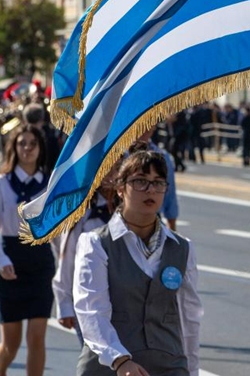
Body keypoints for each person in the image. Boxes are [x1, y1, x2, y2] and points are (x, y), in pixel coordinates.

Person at [73, 141, 202, 375]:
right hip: (109, 367)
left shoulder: (183, 248)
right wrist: (119, 360)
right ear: (120, 188)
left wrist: (191, 371)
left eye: (158, 183)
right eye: (140, 181)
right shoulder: (95, 243)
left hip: (168, 366)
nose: (150, 190)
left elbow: (189, 320)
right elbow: (91, 311)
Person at [0, 125, 53, 376]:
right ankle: (0, 372)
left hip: (40, 261)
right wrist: (0, 260)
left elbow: (58, 228)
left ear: (40, 148)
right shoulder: (2, 183)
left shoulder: (49, 183)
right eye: (22, 143)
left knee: (36, 338)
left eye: (33, 143)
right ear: (14, 147)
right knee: (11, 343)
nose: (28, 148)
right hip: (10, 260)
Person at [52, 163, 119, 345]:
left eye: (118, 166)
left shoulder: (131, 208)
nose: (113, 172)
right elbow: (67, 257)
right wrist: (64, 304)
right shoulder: (82, 210)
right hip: (90, 305)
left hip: (125, 303)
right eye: (106, 166)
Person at [138, 125, 180, 231]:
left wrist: (173, 231)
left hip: (153, 223)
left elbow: (170, 196)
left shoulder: (163, 157)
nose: (145, 127)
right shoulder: (116, 155)